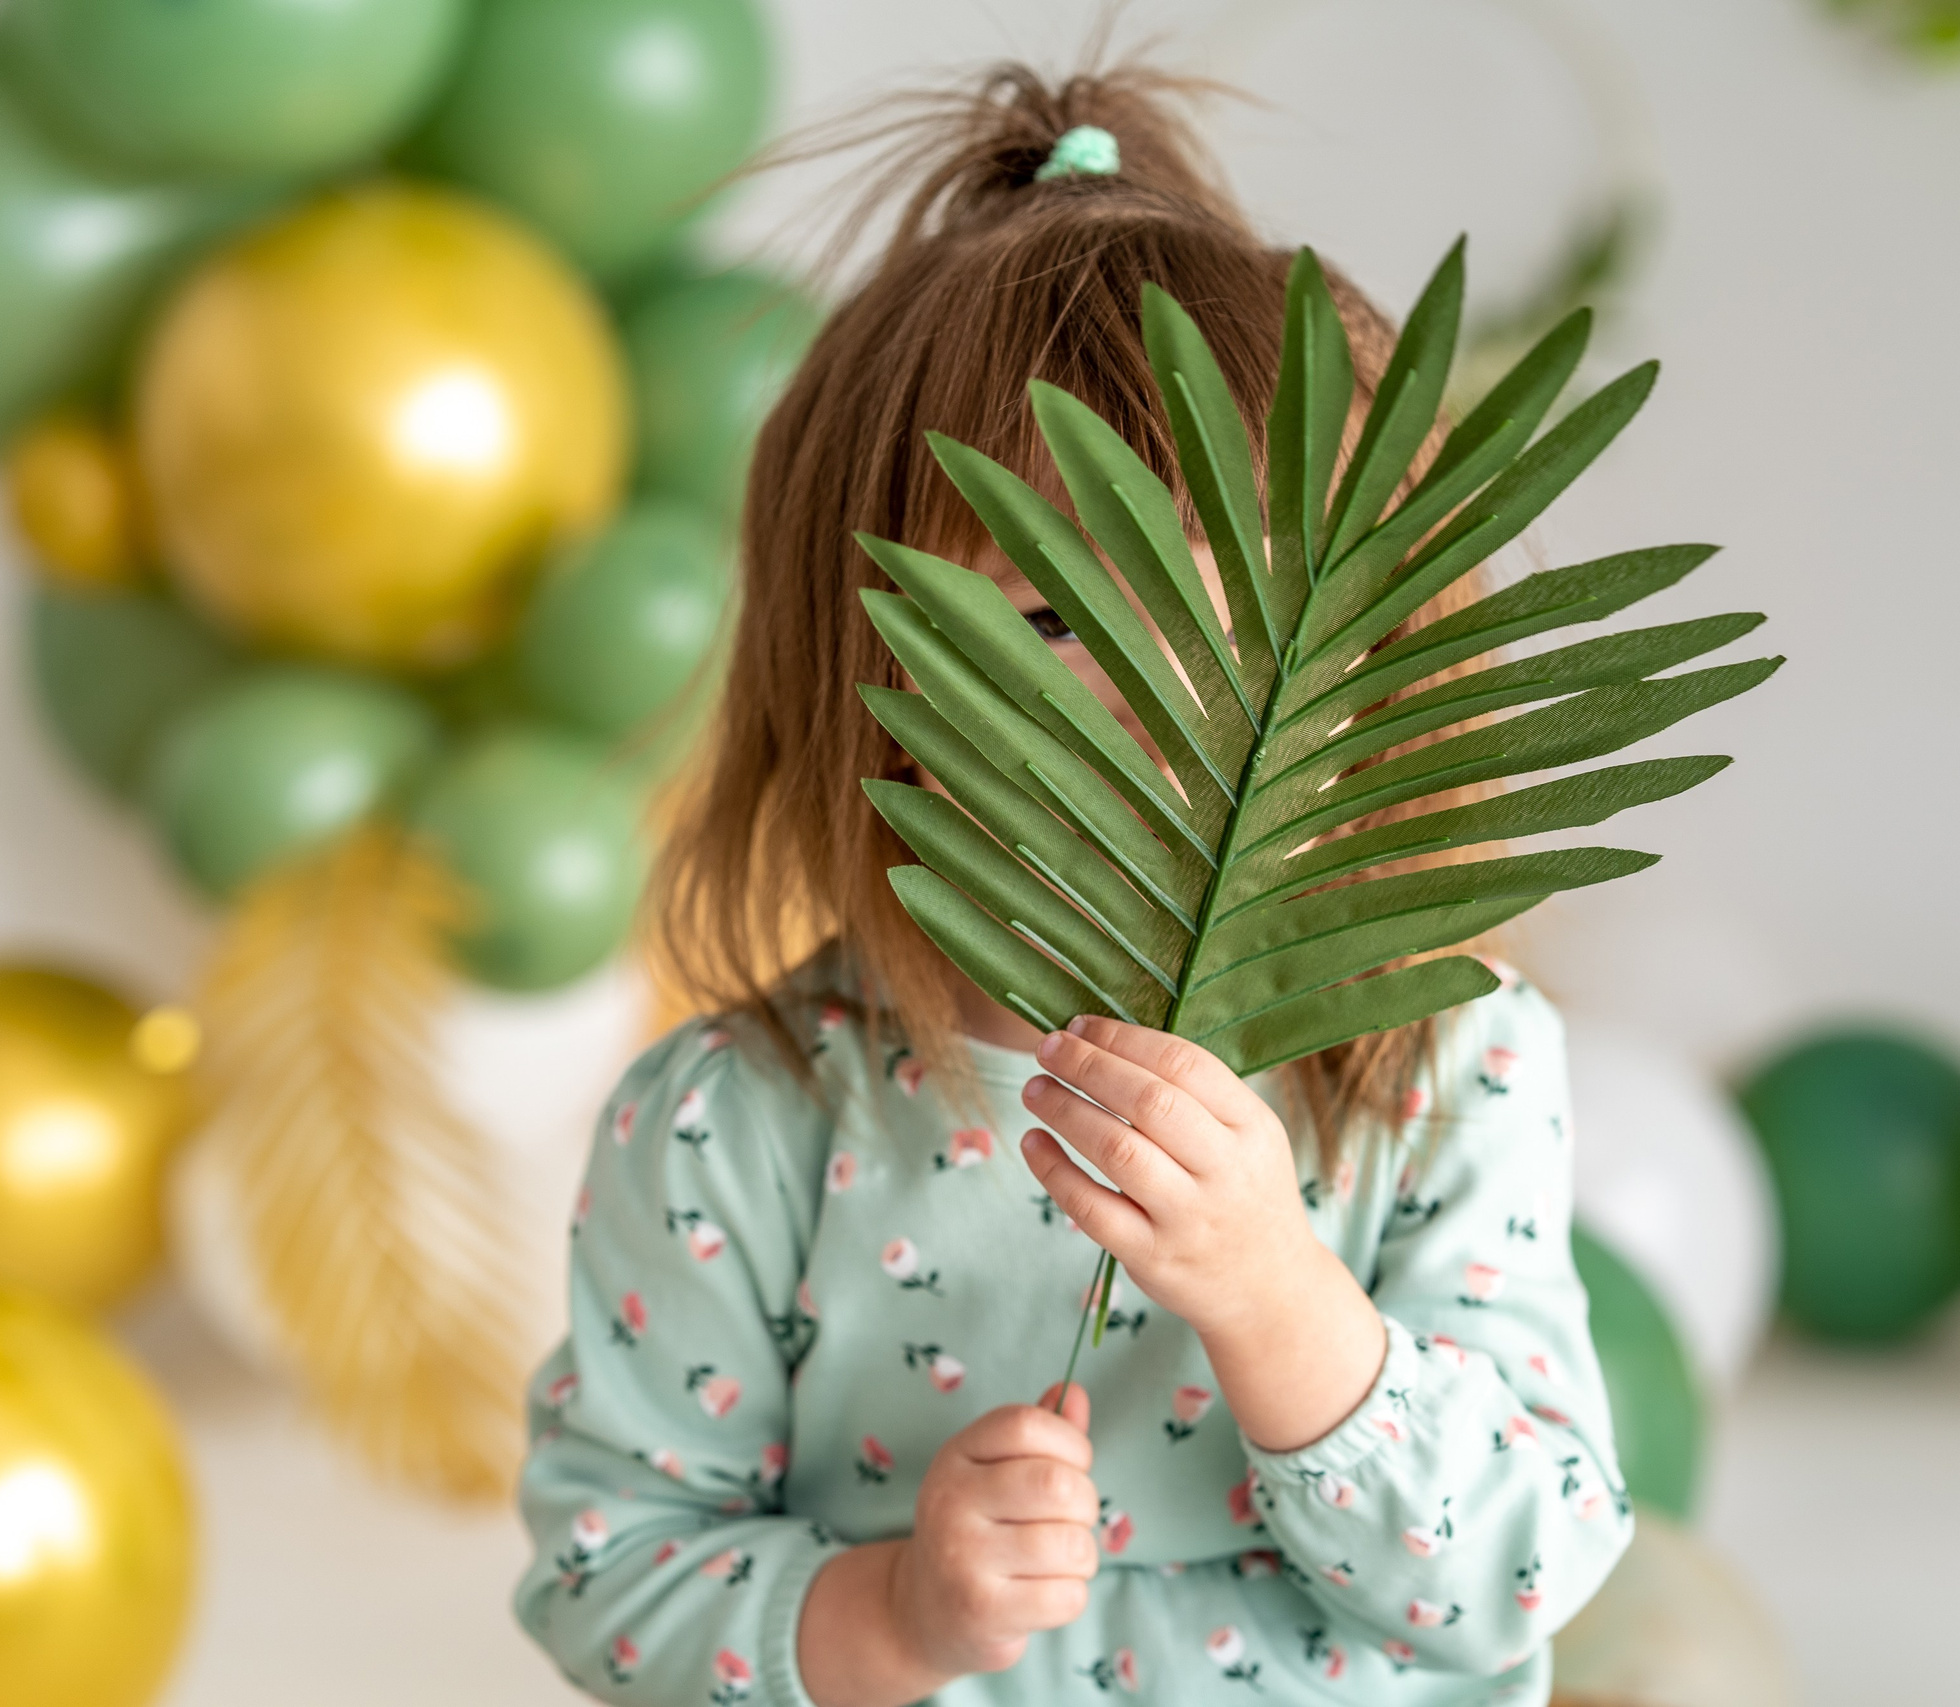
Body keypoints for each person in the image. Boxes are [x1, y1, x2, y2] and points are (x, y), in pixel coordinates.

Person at [513, 60, 1634, 1707]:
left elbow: (1526, 1570)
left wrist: (1274, 1300)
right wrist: (896, 1617)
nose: (1158, 694)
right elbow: (607, 1573)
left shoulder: (1436, 1066)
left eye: (1231, 615)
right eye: (1046, 619)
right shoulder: (735, 1124)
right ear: (861, 683)